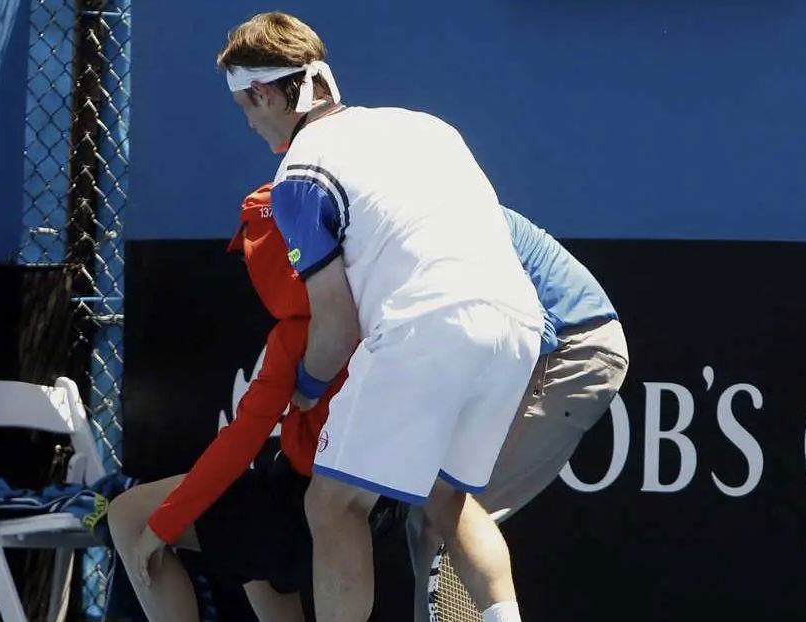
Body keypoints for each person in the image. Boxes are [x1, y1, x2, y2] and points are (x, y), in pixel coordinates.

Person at [217, 12, 545, 622]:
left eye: (246, 108)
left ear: (263, 92)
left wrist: (307, 392)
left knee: (332, 506)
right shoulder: (427, 127)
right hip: (520, 325)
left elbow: (335, 328)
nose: (253, 123)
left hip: (427, 324)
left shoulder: (297, 177)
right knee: (448, 498)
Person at [108, 184, 348, 622]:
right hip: (363, 504)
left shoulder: (296, 333)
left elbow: (238, 444)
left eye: (254, 248)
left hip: (306, 511)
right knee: (246, 536)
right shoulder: (382, 307)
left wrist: (158, 528)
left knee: (128, 514)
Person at [409, 206, 630, 620]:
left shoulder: (451, 223)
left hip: (569, 349)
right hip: (551, 348)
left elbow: (530, 330)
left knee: (444, 507)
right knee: (429, 513)